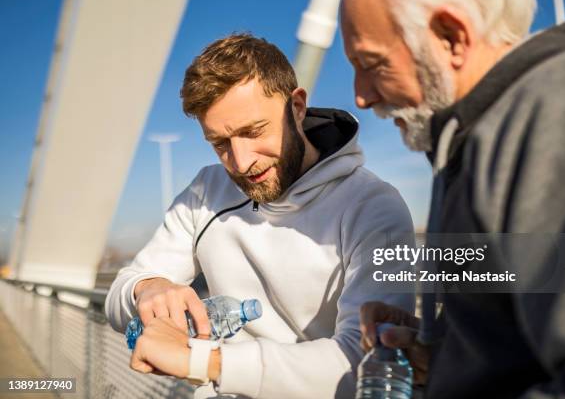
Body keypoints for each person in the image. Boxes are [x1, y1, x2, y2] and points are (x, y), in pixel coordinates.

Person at [105, 33, 415, 399]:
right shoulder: (206, 190)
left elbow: (363, 361)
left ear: (297, 107)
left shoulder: (375, 207)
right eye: (220, 143)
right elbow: (119, 296)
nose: (241, 162)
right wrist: (147, 289)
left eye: (253, 131)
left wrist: (206, 362)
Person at [341, 0, 565, 397]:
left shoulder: (556, 110)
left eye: (372, 64)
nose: (362, 96)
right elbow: (531, 336)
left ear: (452, 37)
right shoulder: (487, 137)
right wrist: (443, 351)